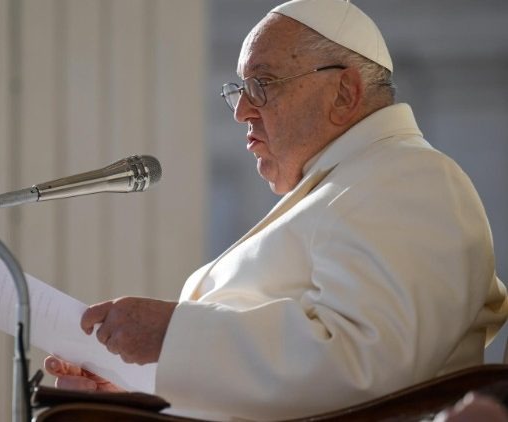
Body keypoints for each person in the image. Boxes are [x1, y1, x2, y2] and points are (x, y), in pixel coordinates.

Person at [44, 0, 508, 420]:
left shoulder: (411, 178)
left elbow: (363, 367)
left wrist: (171, 336)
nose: (241, 110)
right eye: (240, 89)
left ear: (344, 93)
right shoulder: (349, 183)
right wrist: (141, 389)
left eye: (262, 84)